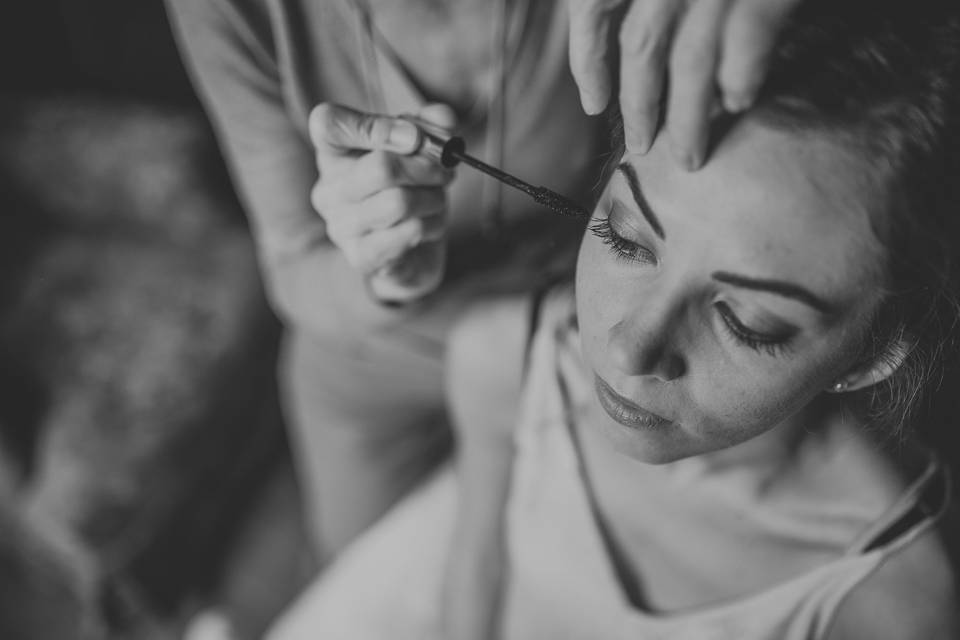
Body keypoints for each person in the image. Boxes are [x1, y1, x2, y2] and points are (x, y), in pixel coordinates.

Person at [265, 1, 960, 638]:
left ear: (873, 354)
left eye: (749, 322)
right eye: (625, 239)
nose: (629, 350)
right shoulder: (505, 359)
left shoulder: (884, 610)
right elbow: (472, 594)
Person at [164, 0, 811, 562]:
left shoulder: (638, 350)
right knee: (358, 585)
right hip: (370, 362)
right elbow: (293, 272)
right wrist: (382, 274)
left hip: (575, 336)